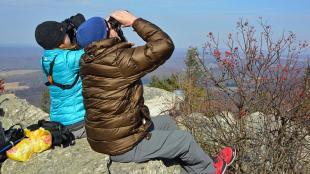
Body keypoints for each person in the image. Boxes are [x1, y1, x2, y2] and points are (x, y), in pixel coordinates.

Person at [77, 10, 236, 174]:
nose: (114, 28)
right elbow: (164, 45)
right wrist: (134, 21)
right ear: (106, 36)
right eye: (110, 26)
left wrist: (111, 32)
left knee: (167, 122)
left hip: (105, 137)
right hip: (123, 145)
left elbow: (117, 51)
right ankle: (209, 170)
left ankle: (185, 168)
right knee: (185, 141)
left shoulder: (88, 61)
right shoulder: (118, 61)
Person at [34, 15, 87, 139]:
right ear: (61, 43)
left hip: (58, 121)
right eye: (66, 35)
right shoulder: (67, 60)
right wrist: (83, 27)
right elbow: (94, 49)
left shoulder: (44, 60)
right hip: (78, 123)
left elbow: (57, 44)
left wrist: (63, 29)